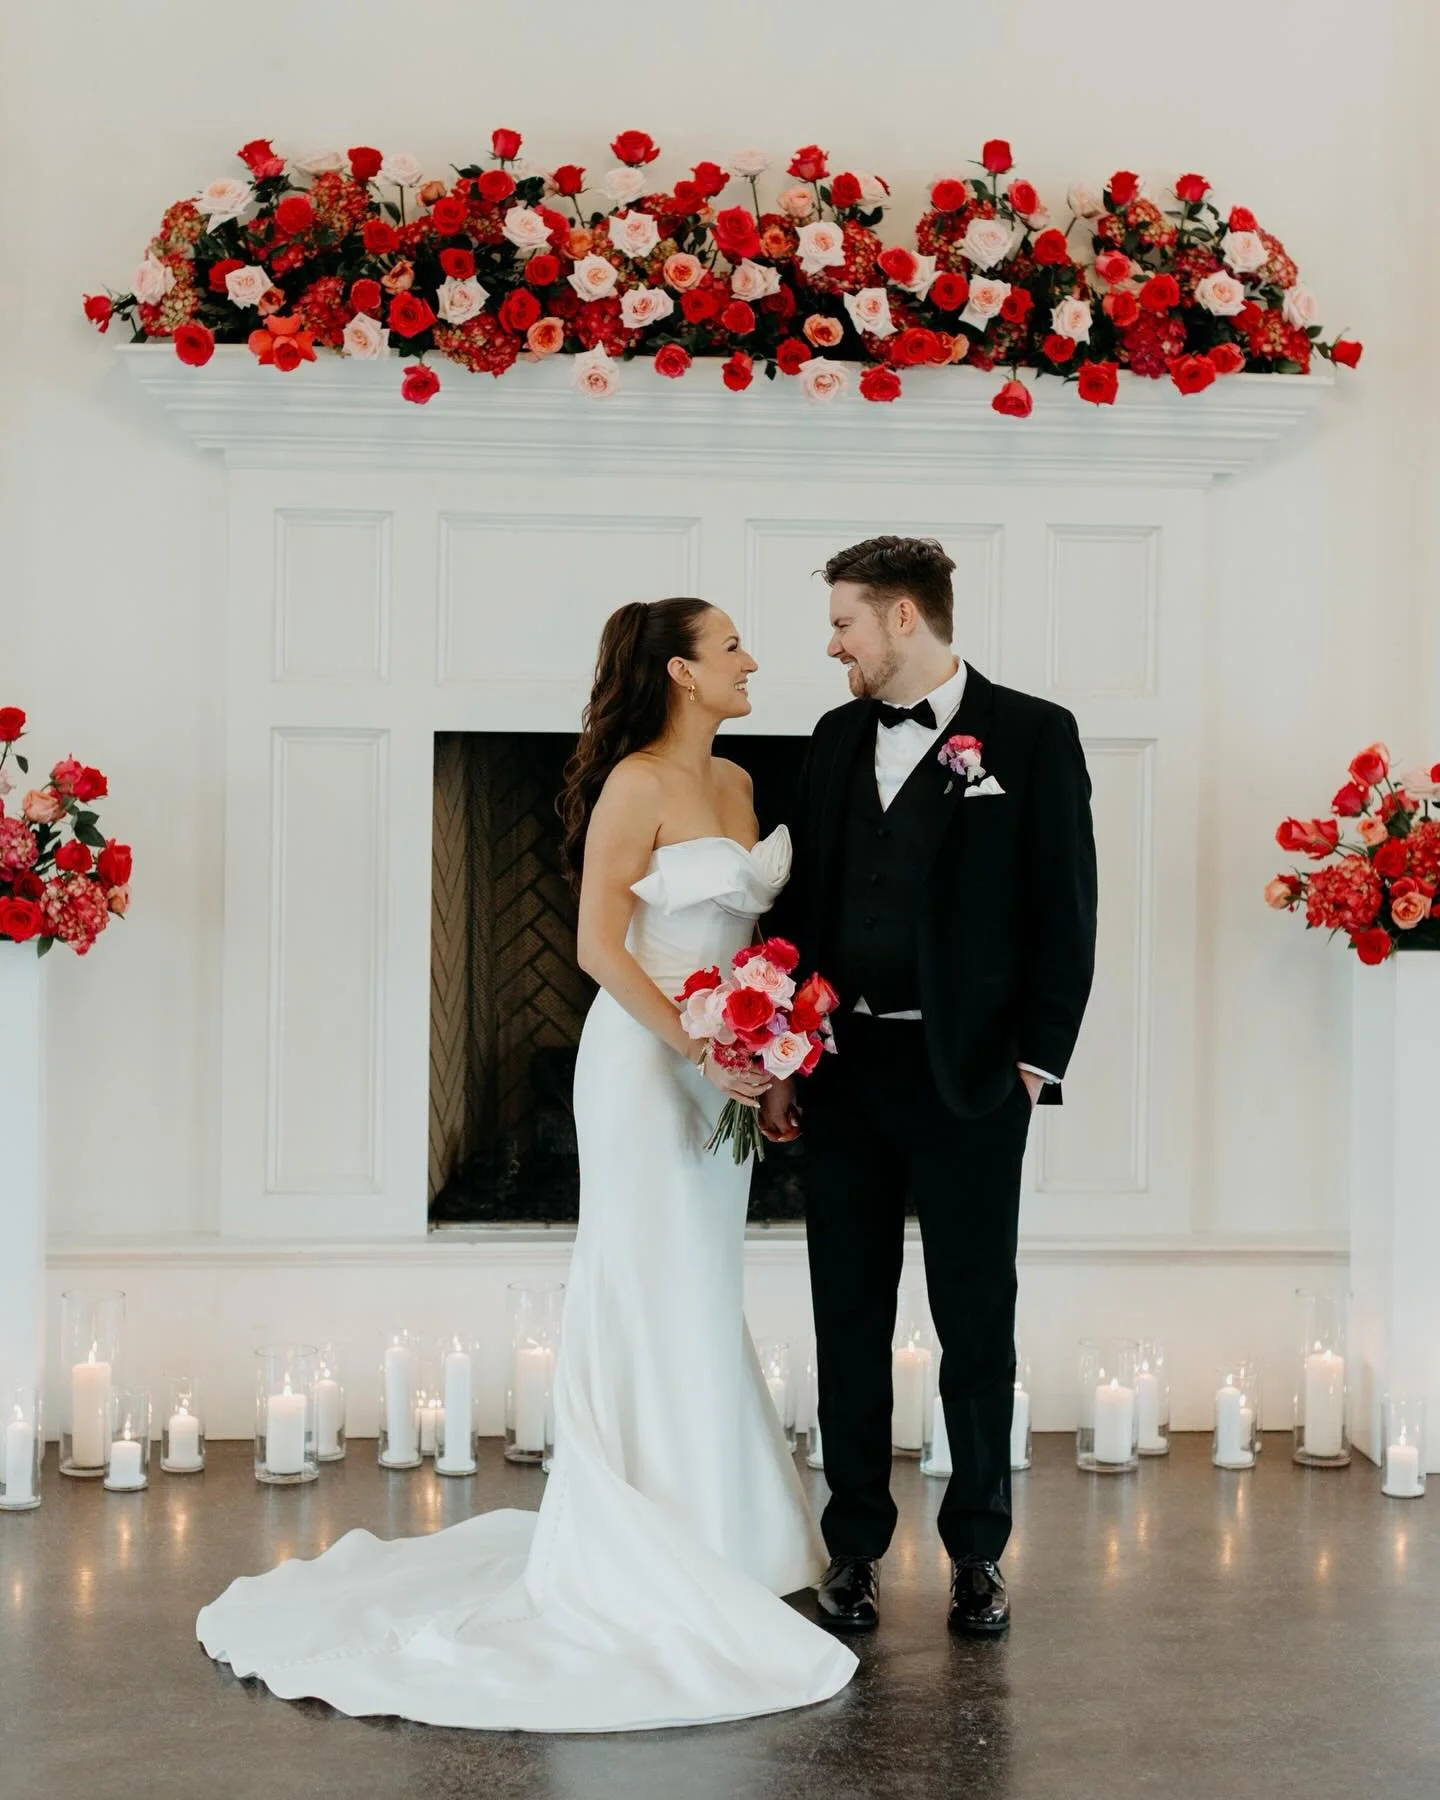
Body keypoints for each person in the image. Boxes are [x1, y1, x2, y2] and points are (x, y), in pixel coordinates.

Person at [194, 597, 856, 1730]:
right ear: (681, 673)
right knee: (647, 1280)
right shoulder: (636, 784)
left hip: (721, 1068)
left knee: (700, 1284)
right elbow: (600, 945)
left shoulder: (742, 786)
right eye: (732, 644)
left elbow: (750, 947)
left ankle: (715, 1530)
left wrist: (770, 1059)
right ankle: (642, 1537)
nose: (753, 659)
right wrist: (698, 1041)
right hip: (646, 1064)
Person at [761, 536, 1097, 1638]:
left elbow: (1067, 908)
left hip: (970, 1080)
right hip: (844, 1070)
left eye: (846, 621)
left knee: (975, 1320)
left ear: (905, 618)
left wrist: (1033, 1067)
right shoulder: (830, 736)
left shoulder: (1034, 734)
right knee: (846, 1315)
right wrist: (782, 1055)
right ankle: (853, 1546)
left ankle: (978, 1553)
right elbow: (800, 907)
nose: (833, 643)